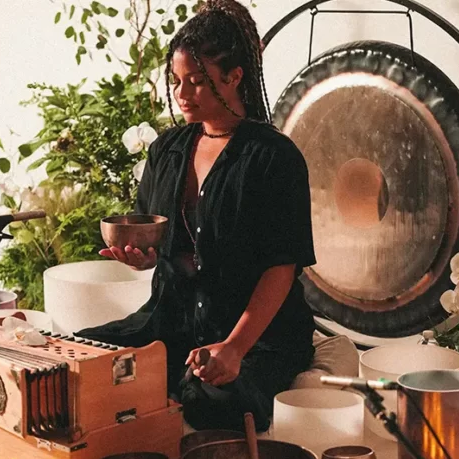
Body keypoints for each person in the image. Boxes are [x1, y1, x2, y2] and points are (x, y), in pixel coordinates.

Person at [76, 0, 316, 433]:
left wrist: (234, 347)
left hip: (255, 337)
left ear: (234, 77)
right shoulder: (166, 151)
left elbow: (282, 268)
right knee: (79, 356)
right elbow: (160, 243)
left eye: (197, 82)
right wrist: (141, 258)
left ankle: (176, 389)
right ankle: (165, 386)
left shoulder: (274, 158)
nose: (182, 94)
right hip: (170, 323)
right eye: (177, 81)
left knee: (210, 402)